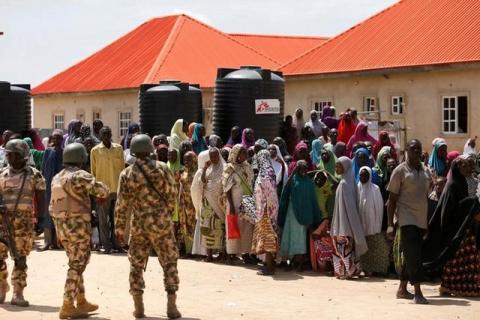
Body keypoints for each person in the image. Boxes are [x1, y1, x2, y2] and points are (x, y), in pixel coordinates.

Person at [114, 134, 181, 319]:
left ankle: (139, 307)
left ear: (134, 152)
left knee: (136, 264)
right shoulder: (162, 169)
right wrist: (164, 213)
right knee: (169, 263)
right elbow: (172, 194)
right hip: (162, 224)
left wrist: (119, 229)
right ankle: (171, 307)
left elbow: (122, 205)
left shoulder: (127, 174)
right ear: (150, 150)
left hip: (139, 227)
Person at [50, 143, 109, 319]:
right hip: (78, 229)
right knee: (77, 265)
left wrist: (58, 231)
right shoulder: (80, 176)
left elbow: (52, 206)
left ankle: (81, 301)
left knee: (76, 263)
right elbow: (102, 191)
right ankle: (67, 304)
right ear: (81, 159)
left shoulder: (57, 178)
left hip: (62, 228)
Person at [0, 139, 46, 306]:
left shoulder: (34, 175)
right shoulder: (1, 174)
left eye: (15, 155)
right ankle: (2, 285)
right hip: (2, 224)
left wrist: (41, 220)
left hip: (24, 225)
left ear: (24, 156)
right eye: (9, 154)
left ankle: (18, 293)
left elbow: (41, 198)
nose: (12, 158)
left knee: (20, 259)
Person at [387, 139, 431, 304]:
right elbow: (391, 201)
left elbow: (425, 197)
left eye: (419, 149)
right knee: (414, 256)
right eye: (413, 149)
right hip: (406, 219)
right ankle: (418, 292)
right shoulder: (400, 171)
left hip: (421, 220)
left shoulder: (426, 171)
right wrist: (390, 225)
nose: (417, 152)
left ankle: (402, 289)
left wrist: (426, 222)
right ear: (407, 151)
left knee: (411, 255)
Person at [278, 160, 321, 271]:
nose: (304, 170)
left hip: (304, 214)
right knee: (290, 236)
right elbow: (285, 189)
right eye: (301, 168)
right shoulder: (293, 180)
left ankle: (300, 263)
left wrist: (311, 217)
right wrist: (293, 173)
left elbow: (312, 201)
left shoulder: (309, 182)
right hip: (292, 213)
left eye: (305, 168)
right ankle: (290, 261)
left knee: (301, 238)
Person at [331, 157, 367, 279]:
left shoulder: (344, 184)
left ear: (345, 167)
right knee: (347, 248)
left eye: (338, 166)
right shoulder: (350, 181)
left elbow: (349, 207)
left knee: (343, 248)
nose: (336, 169)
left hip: (343, 223)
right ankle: (350, 270)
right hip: (347, 222)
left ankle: (347, 271)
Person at [90, 126, 125, 254]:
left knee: (116, 219)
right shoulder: (95, 151)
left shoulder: (119, 149)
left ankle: (117, 244)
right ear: (100, 136)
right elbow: (93, 172)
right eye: (104, 134)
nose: (106, 136)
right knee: (103, 220)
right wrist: (95, 192)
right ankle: (106, 245)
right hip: (102, 191)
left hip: (116, 189)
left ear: (111, 135)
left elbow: (122, 170)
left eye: (108, 134)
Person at [191, 149, 225, 260]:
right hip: (207, 204)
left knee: (219, 229)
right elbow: (203, 181)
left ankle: (222, 254)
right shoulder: (208, 169)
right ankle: (209, 255)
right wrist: (205, 168)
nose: (213, 159)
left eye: (215, 156)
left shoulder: (224, 169)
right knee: (207, 229)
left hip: (219, 204)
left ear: (219, 156)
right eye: (211, 157)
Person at [222, 144, 254, 261]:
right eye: (243, 153)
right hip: (234, 201)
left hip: (247, 201)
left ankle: (246, 253)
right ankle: (232, 254)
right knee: (234, 225)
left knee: (247, 227)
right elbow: (227, 188)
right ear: (236, 154)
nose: (245, 155)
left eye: (245, 152)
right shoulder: (229, 168)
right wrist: (230, 205)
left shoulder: (247, 166)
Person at [251, 150, 279, 275]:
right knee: (268, 238)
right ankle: (269, 264)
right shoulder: (268, 172)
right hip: (266, 210)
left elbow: (270, 195)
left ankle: (270, 267)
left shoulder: (265, 175)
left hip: (266, 211)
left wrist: (269, 211)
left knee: (268, 239)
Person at [357, 167, 389, 276]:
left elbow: (379, 208)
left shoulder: (375, 189)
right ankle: (363, 268)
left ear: (370, 176)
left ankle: (375, 269)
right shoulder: (357, 188)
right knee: (362, 248)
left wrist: (377, 225)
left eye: (365, 175)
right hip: (360, 223)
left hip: (373, 222)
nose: (363, 177)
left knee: (373, 247)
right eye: (361, 175)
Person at [39, 129, 64, 251]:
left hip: (60, 187)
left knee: (59, 212)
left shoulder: (64, 152)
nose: (56, 140)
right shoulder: (47, 151)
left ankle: (57, 241)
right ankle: (47, 241)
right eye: (54, 138)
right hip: (48, 186)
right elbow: (43, 169)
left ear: (62, 139)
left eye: (59, 138)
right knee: (47, 214)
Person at [310, 171, 335, 274]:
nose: (319, 180)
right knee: (314, 242)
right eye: (317, 178)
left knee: (325, 242)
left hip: (324, 218)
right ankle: (315, 264)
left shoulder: (327, 188)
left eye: (322, 178)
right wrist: (314, 172)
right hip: (313, 217)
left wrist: (329, 174)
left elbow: (337, 183)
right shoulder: (311, 188)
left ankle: (327, 265)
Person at [178, 151, 197, 256]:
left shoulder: (197, 173)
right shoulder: (183, 172)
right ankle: (188, 250)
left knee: (193, 225)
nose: (186, 162)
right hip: (184, 203)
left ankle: (194, 250)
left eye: (188, 159)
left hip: (194, 204)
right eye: (184, 160)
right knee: (185, 226)